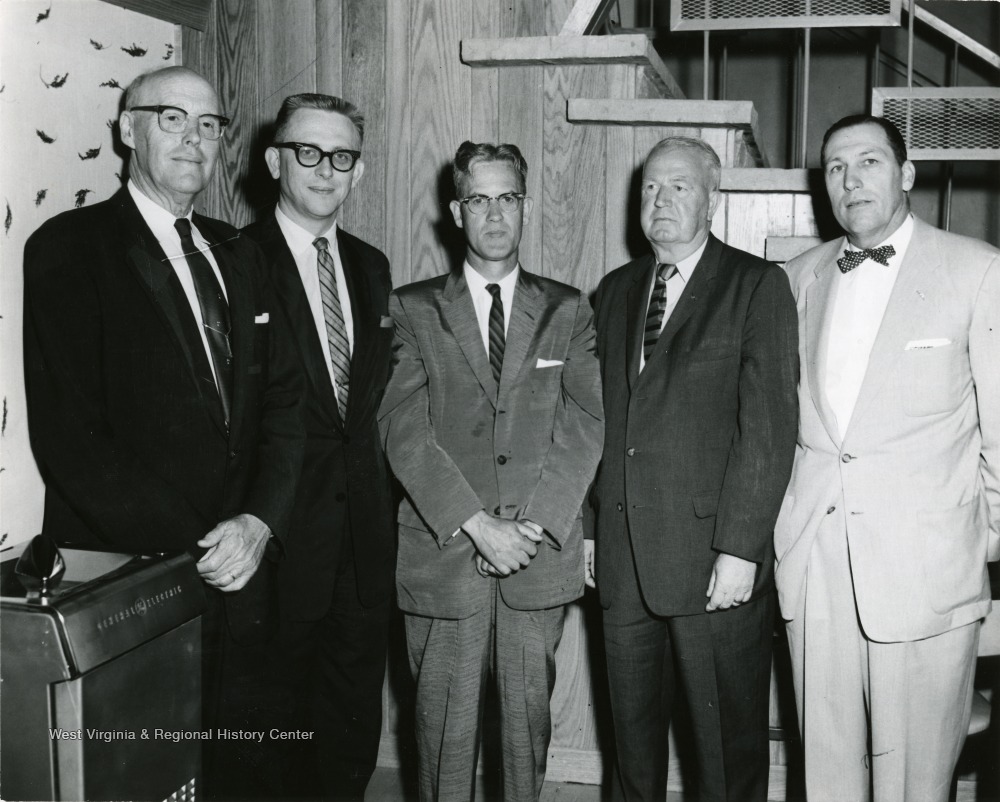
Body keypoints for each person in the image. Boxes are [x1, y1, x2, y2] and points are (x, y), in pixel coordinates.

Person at [22, 66, 304, 799]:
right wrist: (204, 547)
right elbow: (71, 441)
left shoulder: (240, 252)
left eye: (209, 125)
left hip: (246, 568)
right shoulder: (68, 247)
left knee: (242, 772)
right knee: (147, 778)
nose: (193, 140)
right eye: (171, 118)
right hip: (139, 582)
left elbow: (283, 403)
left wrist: (257, 522)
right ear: (128, 129)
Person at [775, 114, 1000, 802]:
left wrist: (974, 541)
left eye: (869, 162)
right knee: (827, 773)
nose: (851, 180)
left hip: (924, 568)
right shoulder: (798, 277)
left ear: (906, 174)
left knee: (914, 781)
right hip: (817, 561)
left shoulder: (976, 269)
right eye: (836, 168)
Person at [378, 141, 603, 802]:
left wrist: (531, 527)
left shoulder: (567, 309)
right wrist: (479, 526)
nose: (495, 215)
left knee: (525, 736)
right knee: (442, 739)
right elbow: (402, 427)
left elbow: (586, 422)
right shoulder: (413, 308)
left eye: (508, 198)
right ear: (456, 211)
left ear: (525, 207)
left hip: (537, 560)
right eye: (480, 200)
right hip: (446, 556)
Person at [588, 136, 798, 802]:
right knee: (631, 750)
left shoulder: (754, 285)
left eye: (679, 186)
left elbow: (768, 431)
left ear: (713, 197)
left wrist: (740, 549)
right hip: (623, 560)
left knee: (724, 756)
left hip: (713, 565)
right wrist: (593, 528)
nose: (661, 200)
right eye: (650, 187)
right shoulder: (615, 292)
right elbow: (599, 421)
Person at [242, 93, 395, 801]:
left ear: (358, 172)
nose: (324, 169)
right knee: (271, 735)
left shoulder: (371, 266)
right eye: (308, 152)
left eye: (341, 157)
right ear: (275, 162)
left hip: (362, 547)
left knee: (347, 735)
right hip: (279, 546)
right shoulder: (235, 261)